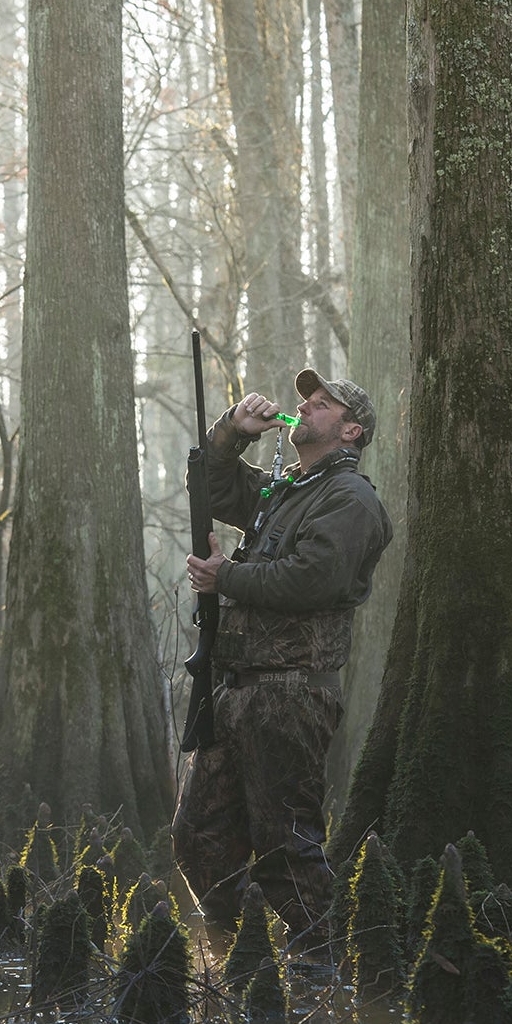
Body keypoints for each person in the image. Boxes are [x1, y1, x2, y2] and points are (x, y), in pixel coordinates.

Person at [171, 366, 392, 949]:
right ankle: (240, 963)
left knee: (286, 850)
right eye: (308, 399)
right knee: (198, 837)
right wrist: (231, 432)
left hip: (291, 695)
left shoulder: (350, 499)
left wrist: (226, 577)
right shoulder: (286, 490)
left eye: (323, 403)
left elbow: (313, 579)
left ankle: (326, 970)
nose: (307, 406)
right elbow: (212, 489)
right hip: (234, 691)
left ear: (351, 431)